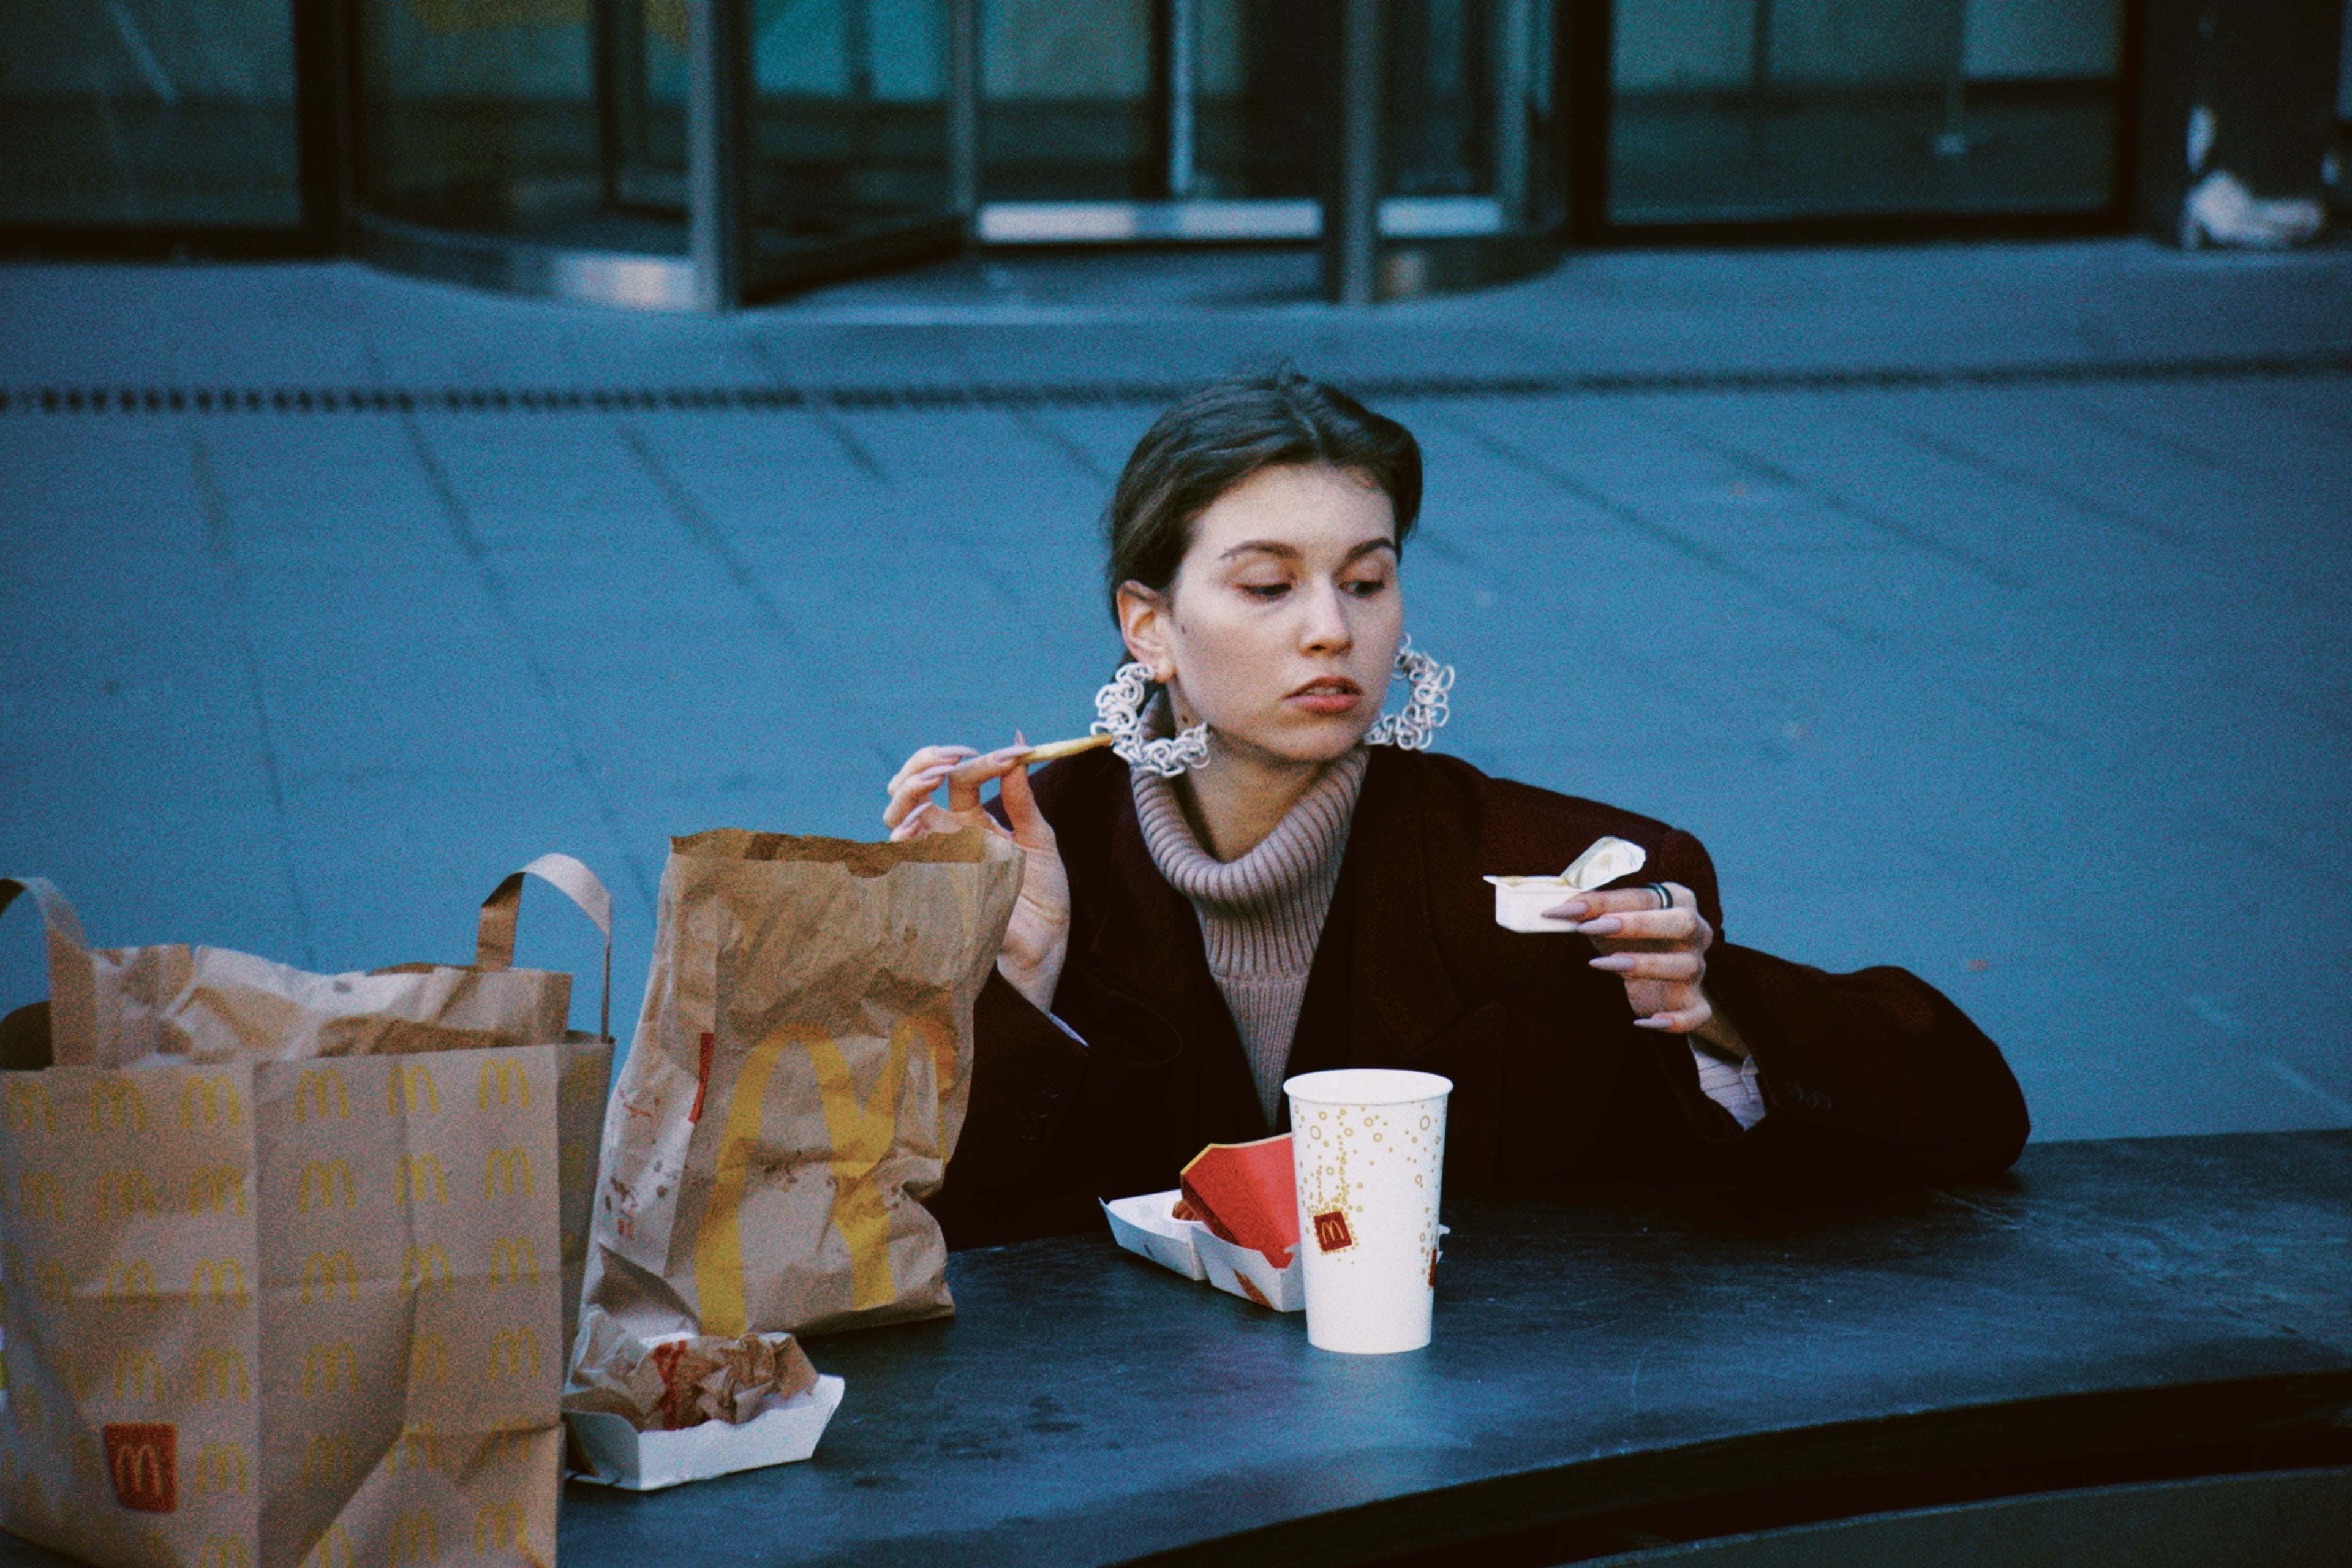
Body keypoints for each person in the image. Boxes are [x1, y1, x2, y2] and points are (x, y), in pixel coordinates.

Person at [884, 369, 2029, 1250]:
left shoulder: (1566, 870)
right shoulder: (1039, 850)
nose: (1332, 628)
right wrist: (1012, 980)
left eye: (1368, 580)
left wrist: (1719, 1014)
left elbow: (1972, 1118)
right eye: (1268, 586)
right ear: (1148, 625)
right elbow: (915, 1228)